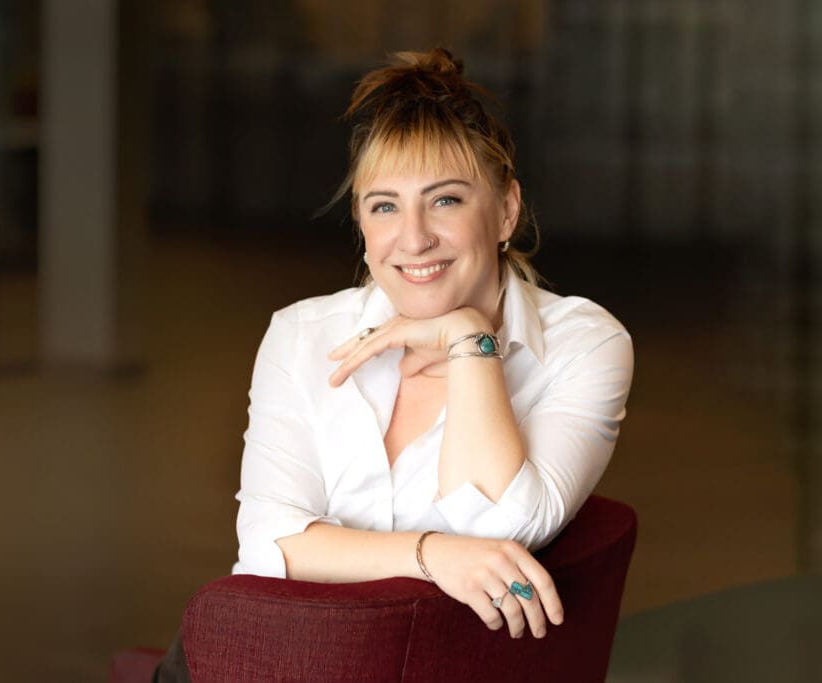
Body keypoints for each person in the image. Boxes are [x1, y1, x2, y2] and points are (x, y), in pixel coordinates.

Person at [153, 47, 633, 681]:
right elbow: (269, 548)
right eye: (384, 206)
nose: (413, 239)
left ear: (506, 211)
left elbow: (503, 521)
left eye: (445, 201)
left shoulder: (586, 345)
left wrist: (469, 341)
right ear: (361, 221)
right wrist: (434, 556)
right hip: (268, 663)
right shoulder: (301, 333)